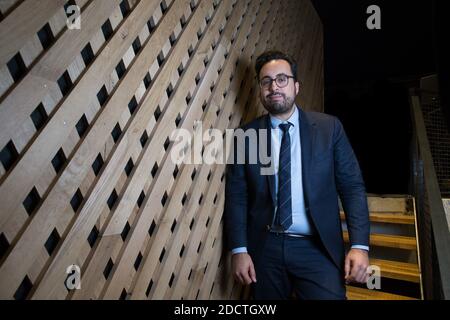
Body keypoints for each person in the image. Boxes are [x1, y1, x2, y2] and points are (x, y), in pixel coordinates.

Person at [224, 50, 370, 299]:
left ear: (296, 86)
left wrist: (359, 246)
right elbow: (237, 196)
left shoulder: (328, 128)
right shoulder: (246, 136)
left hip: (317, 247)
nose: (274, 87)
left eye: (282, 79)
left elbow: (352, 187)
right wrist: (238, 249)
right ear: (260, 90)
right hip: (265, 248)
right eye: (266, 81)